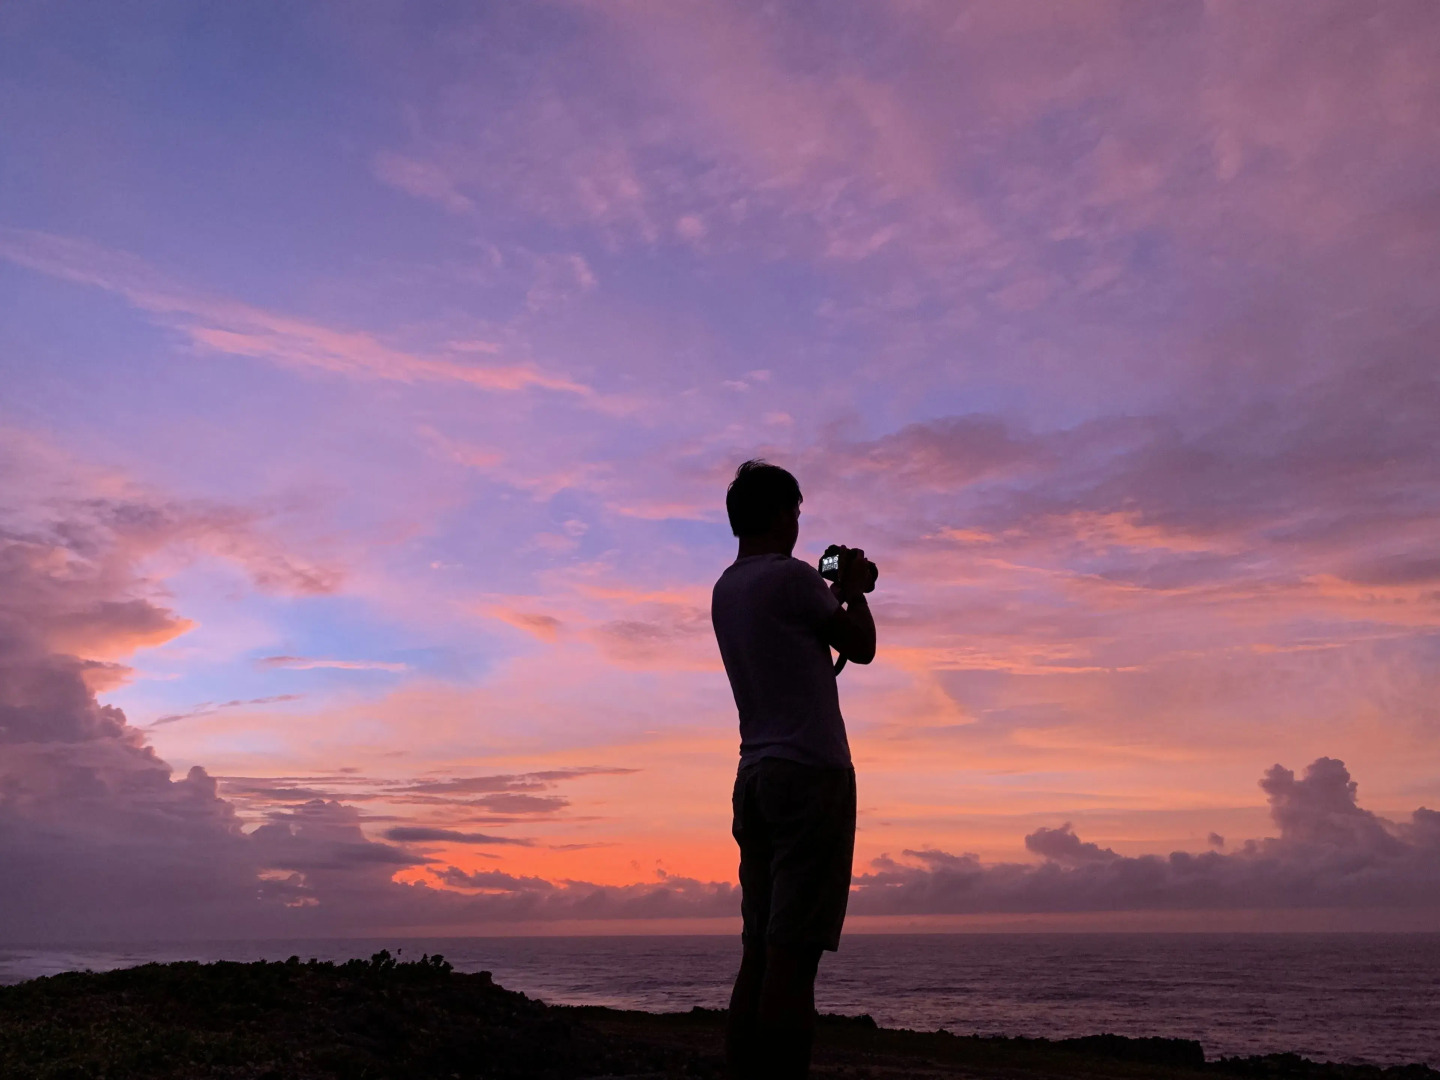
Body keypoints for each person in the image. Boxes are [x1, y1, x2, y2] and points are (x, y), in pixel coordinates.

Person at [710, 460, 877, 1080]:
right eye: (797, 512)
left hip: (755, 774)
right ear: (781, 513)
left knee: (758, 952)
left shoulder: (727, 589)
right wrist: (853, 588)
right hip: (810, 776)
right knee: (794, 959)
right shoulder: (791, 578)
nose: (799, 525)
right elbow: (861, 646)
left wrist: (829, 591)